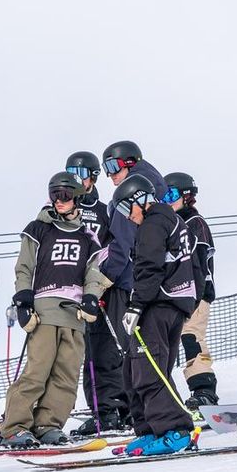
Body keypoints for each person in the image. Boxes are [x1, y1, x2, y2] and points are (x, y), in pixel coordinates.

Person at [0, 173, 111, 447]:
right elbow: (24, 267)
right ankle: (14, 427)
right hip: (45, 310)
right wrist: (23, 302)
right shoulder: (39, 229)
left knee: (66, 374)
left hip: (74, 314)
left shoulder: (88, 236)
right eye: (54, 195)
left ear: (77, 198)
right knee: (38, 370)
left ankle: (47, 424)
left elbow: (93, 273)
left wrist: (91, 297)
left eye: (65, 195)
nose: (58, 201)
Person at [82, 140, 167, 433]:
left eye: (112, 166)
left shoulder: (130, 195)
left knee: (116, 346)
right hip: (149, 282)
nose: (110, 175)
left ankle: (123, 410)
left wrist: (105, 277)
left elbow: (122, 244)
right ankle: (140, 408)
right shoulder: (154, 189)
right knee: (141, 346)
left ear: (130, 162)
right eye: (105, 169)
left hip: (125, 282)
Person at [111, 174, 198, 457]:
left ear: (140, 199)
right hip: (171, 305)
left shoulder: (154, 223)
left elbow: (149, 267)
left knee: (148, 369)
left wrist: (135, 306)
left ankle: (175, 430)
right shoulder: (173, 221)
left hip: (157, 305)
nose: (127, 216)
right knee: (135, 369)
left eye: (126, 208)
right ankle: (150, 429)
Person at [64, 150, 130, 435]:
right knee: (82, 353)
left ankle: (113, 408)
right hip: (71, 291)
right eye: (70, 172)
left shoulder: (105, 211)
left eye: (80, 174)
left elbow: (119, 247)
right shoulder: (61, 209)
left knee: (106, 349)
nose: (75, 179)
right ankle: (101, 409)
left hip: (102, 289)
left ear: (92, 177)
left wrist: (105, 280)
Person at [166, 172, 220, 408]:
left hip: (196, 294)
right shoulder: (172, 225)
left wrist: (198, 294)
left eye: (171, 195)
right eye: (162, 196)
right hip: (177, 295)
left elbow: (200, 260)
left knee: (191, 337)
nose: (167, 201)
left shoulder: (194, 223)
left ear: (186, 196)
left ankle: (204, 389)